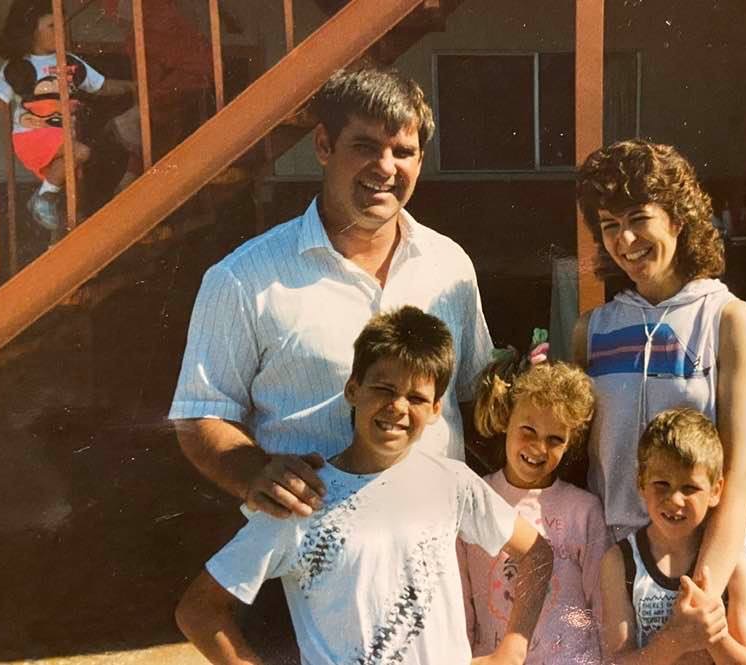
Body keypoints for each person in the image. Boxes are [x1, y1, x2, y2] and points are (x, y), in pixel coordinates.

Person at [169, 64, 493, 519]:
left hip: (435, 541)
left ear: (420, 161)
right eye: (365, 146)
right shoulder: (243, 277)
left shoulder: (449, 265)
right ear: (324, 145)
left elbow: (473, 396)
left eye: (403, 151)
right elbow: (201, 414)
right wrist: (252, 473)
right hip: (307, 546)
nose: (386, 167)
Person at [175, 306, 553, 665]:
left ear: (436, 409)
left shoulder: (452, 483)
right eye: (384, 389)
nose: (398, 407)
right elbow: (198, 611)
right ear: (353, 389)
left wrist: (512, 650)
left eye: (416, 398)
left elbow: (536, 552)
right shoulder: (303, 499)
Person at [572, 139, 746, 601]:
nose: (625, 240)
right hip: (614, 566)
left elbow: (742, 472)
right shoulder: (591, 331)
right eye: (610, 225)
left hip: (703, 567)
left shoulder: (727, 318)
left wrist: (704, 591)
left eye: (639, 219)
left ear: (678, 219)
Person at [459, 354, 608, 664]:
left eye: (555, 439)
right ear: (506, 419)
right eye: (528, 430)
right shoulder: (474, 499)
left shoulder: (584, 511)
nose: (539, 448)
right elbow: (461, 611)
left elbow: (603, 609)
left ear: (570, 442)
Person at [599, 408, 746, 664]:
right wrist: (677, 639)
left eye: (690, 488)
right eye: (661, 484)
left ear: (715, 491)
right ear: (641, 482)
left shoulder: (734, 563)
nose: (675, 499)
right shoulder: (620, 562)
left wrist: (714, 636)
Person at [0, 0, 135, 230]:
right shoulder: (18, 66)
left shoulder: (70, 62)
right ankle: (42, 199)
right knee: (81, 152)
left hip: (60, 138)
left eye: (62, 24)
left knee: (72, 176)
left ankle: (61, 214)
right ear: (31, 31)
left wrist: (132, 86)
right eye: (52, 26)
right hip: (31, 137)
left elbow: (101, 86)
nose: (61, 30)